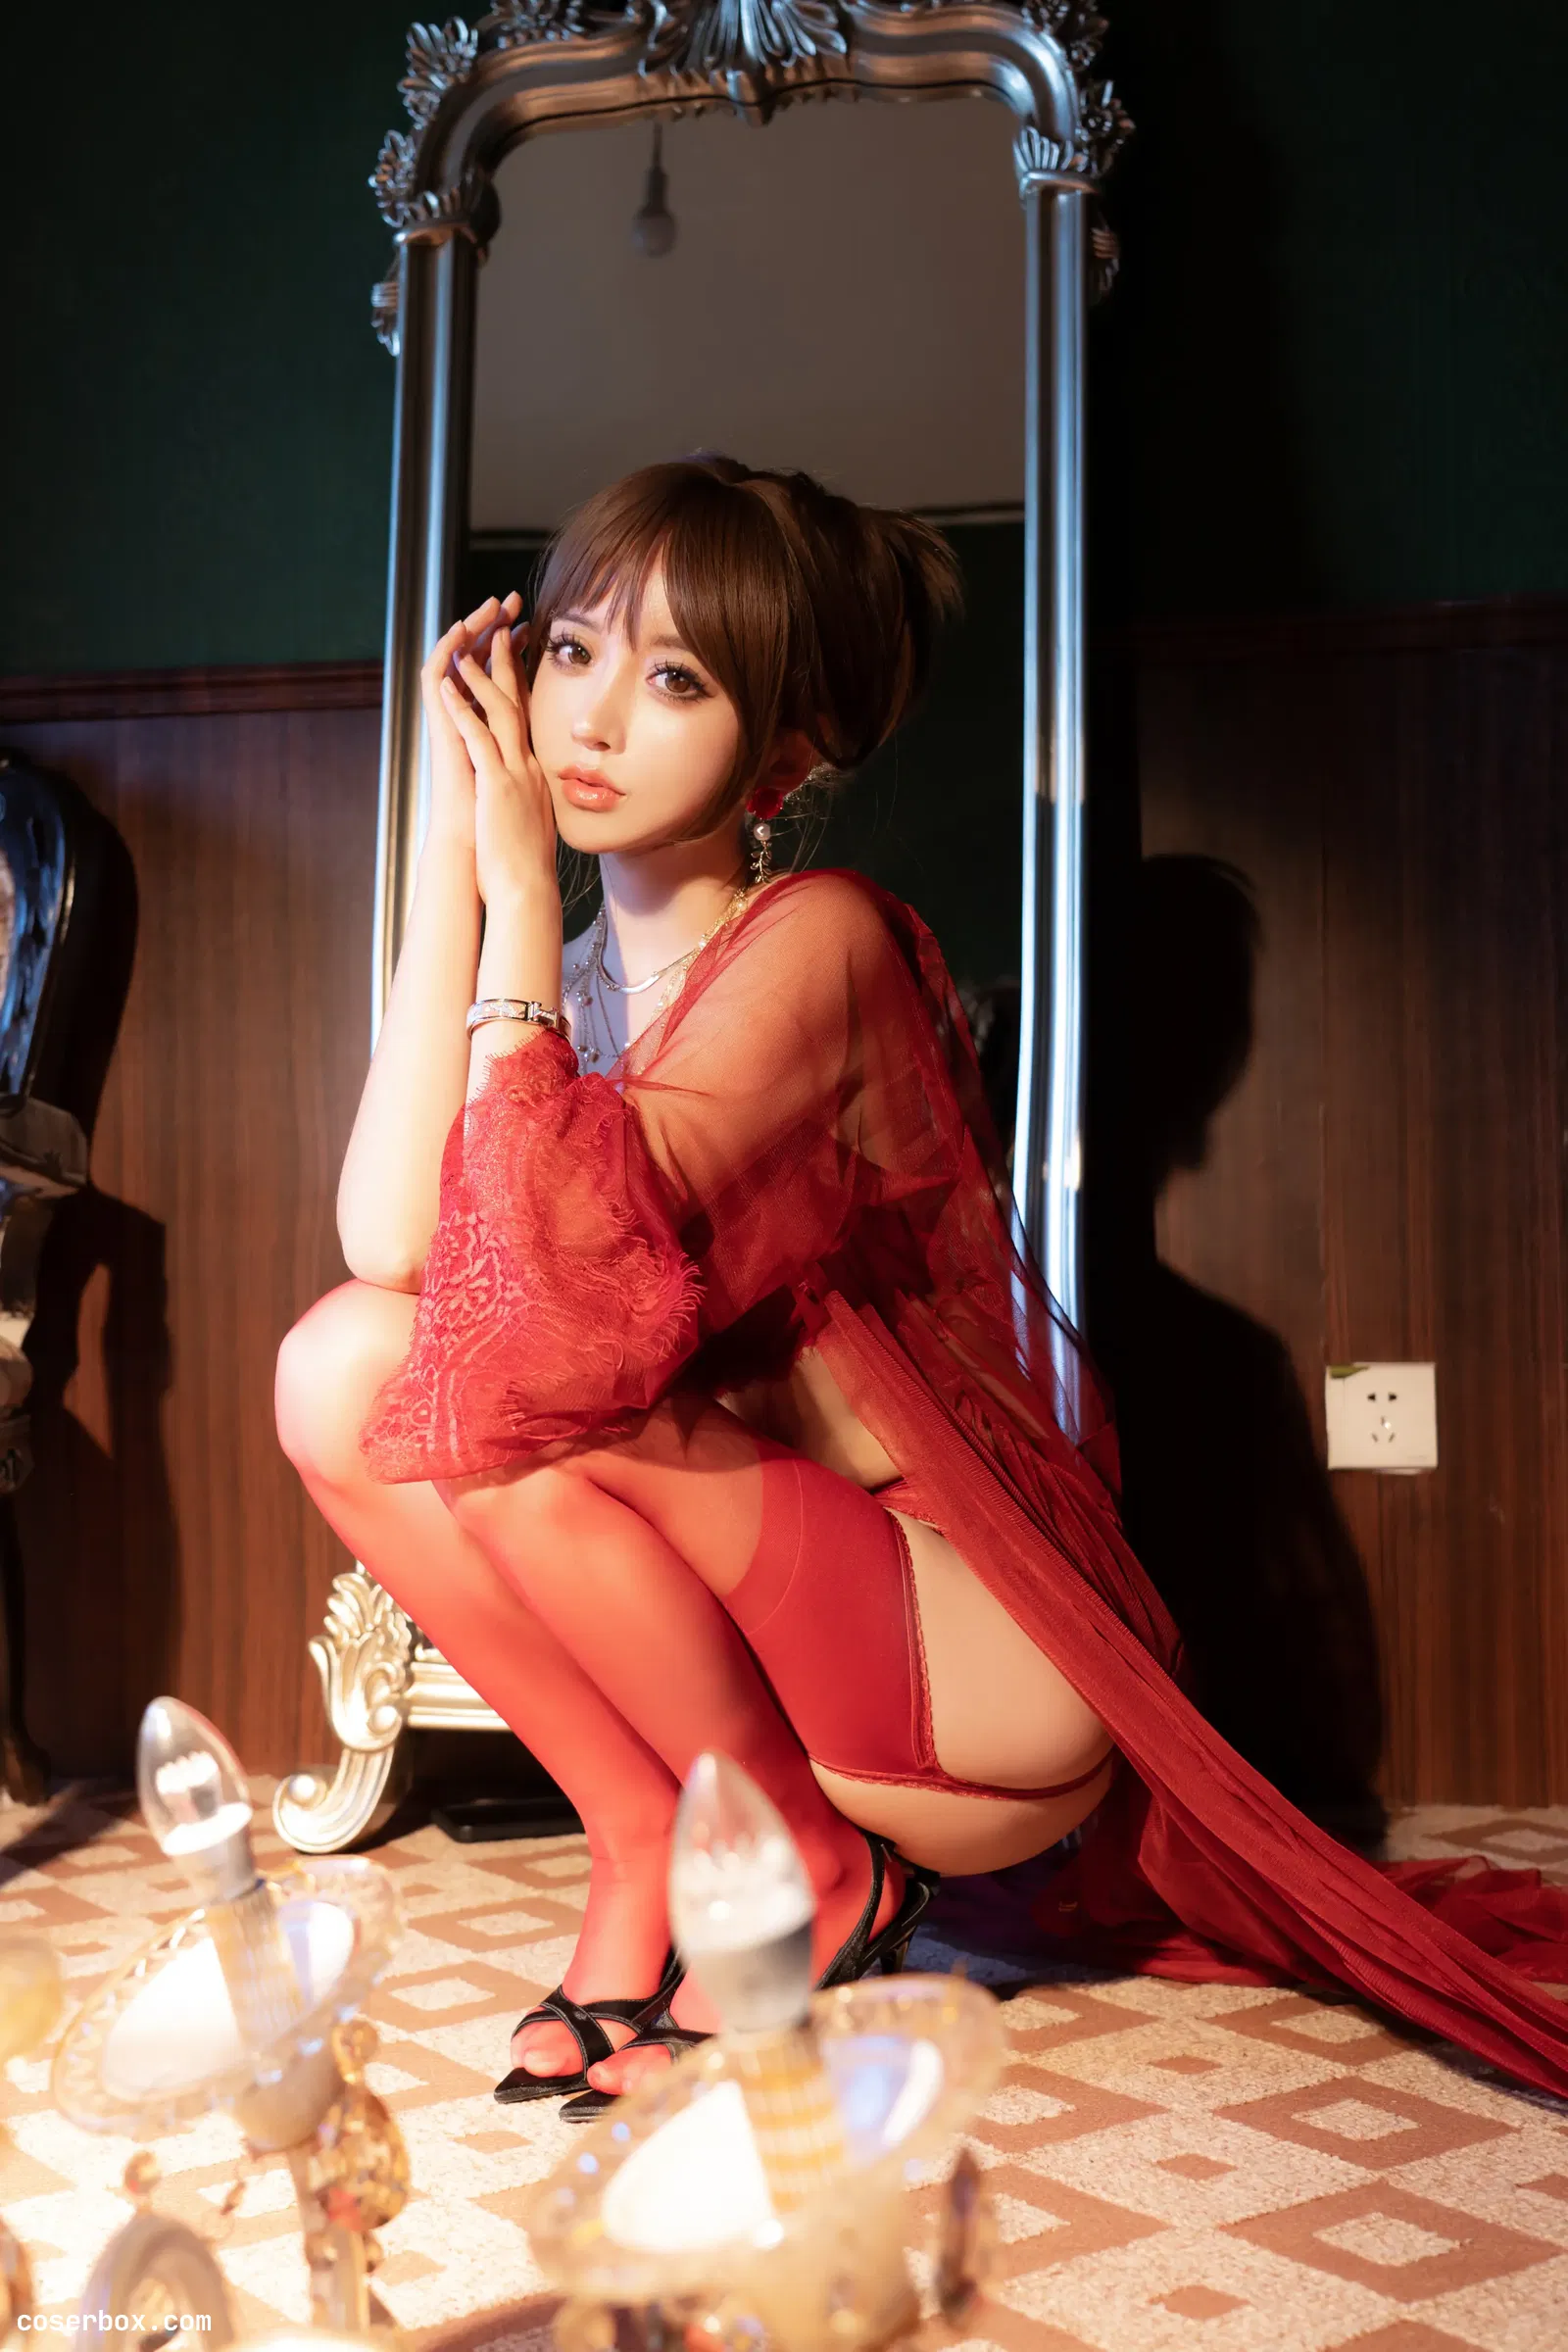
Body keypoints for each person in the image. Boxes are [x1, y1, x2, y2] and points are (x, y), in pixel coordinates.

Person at [275, 457, 1568, 2123]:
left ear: (781, 764)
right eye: (574, 650)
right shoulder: (562, 981)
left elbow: (548, 1298)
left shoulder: (820, 939)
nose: (589, 719)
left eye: (676, 680)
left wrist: (523, 888)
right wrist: (450, 858)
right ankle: (647, 1841)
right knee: (336, 1365)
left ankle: (815, 1873)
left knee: (523, 1396)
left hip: (960, 1654)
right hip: (759, 1613)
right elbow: (390, 1248)